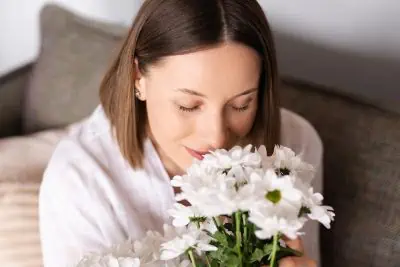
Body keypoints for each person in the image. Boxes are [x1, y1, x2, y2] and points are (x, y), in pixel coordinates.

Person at [38, 0, 322, 266]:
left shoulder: (294, 147)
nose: (217, 138)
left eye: (241, 104)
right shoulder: (79, 180)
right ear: (139, 78)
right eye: (188, 105)